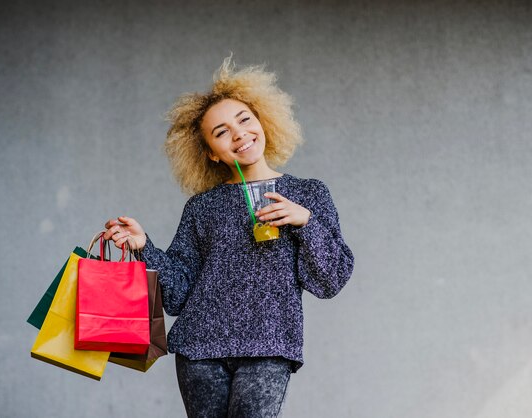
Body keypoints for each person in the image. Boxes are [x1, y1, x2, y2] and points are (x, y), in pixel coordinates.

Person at [104, 57, 354, 418]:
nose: (239, 134)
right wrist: (145, 248)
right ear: (210, 153)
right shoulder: (202, 207)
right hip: (199, 348)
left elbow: (330, 280)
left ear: (263, 121)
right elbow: (177, 295)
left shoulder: (308, 194)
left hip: (268, 345)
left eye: (244, 120)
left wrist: (305, 222)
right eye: (221, 132)